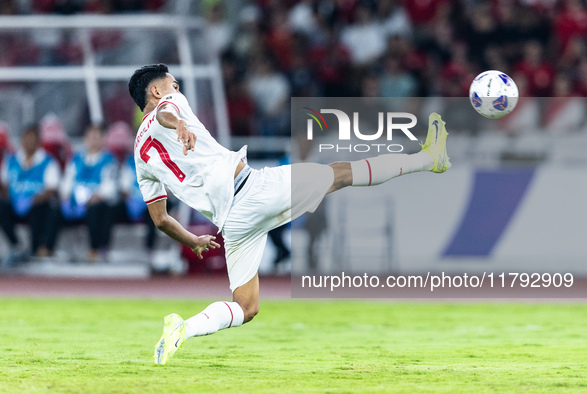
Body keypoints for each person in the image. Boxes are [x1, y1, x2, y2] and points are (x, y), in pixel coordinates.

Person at [127, 64, 451, 365]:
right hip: (253, 191)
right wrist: (181, 123)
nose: (176, 87)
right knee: (340, 173)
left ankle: (184, 327)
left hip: (233, 223)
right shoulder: (171, 103)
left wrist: (193, 239)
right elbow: (167, 114)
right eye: (172, 83)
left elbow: (160, 219)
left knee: (246, 306)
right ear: (157, 92)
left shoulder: (140, 157)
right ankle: (427, 159)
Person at [0, 125, 60, 263]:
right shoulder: (12, 160)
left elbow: (52, 188)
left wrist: (34, 200)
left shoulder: (47, 161)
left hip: (36, 203)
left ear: (38, 141)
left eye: (32, 139)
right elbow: (3, 183)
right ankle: (16, 245)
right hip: (15, 203)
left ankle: (37, 248)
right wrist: (10, 198)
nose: (28, 143)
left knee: (43, 209)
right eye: (26, 139)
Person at [60, 124, 117, 262]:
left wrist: (95, 197)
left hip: (96, 202)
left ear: (103, 140)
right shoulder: (76, 159)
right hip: (76, 202)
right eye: (91, 137)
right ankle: (45, 248)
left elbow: (110, 186)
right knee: (54, 210)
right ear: (85, 139)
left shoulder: (108, 160)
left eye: (97, 138)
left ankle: (95, 249)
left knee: (97, 210)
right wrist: (66, 197)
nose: (93, 141)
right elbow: (67, 180)